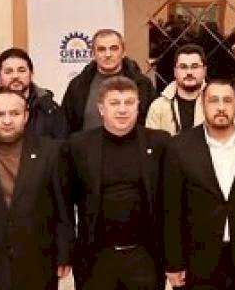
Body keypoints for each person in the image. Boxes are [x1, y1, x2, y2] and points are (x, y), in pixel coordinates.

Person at [0, 88, 73, 290]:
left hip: (39, 263)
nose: (7, 120)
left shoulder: (52, 152)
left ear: (26, 116)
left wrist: (64, 254)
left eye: (14, 113)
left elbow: (63, 208)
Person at [163, 76, 235, 290]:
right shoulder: (179, 147)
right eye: (214, 101)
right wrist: (174, 263)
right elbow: (172, 210)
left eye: (227, 101)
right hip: (199, 261)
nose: (221, 107)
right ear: (202, 105)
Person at [67, 76, 171, 290]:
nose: (122, 110)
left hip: (146, 258)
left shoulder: (160, 142)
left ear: (138, 106)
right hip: (95, 259)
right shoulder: (78, 145)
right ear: (101, 108)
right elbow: (66, 200)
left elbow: (172, 201)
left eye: (129, 102)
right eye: (114, 103)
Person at [63, 28, 158, 133]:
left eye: (114, 49)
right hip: (87, 143)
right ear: (93, 54)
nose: (108, 54)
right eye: (101, 49)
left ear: (123, 52)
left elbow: (153, 125)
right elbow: (65, 127)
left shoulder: (142, 84)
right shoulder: (78, 85)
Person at [0, 47, 68, 140]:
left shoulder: (50, 109)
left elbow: (61, 148)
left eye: (21, 71)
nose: (15, 76)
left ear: (31, 74)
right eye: (8, 71)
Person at [147, 44, 208, 135]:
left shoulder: (216, 103)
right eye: (183, 67)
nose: (189, 72)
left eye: (195, 66)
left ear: (204, 70)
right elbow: (151, 141)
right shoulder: (158, 107)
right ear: (175, 71)